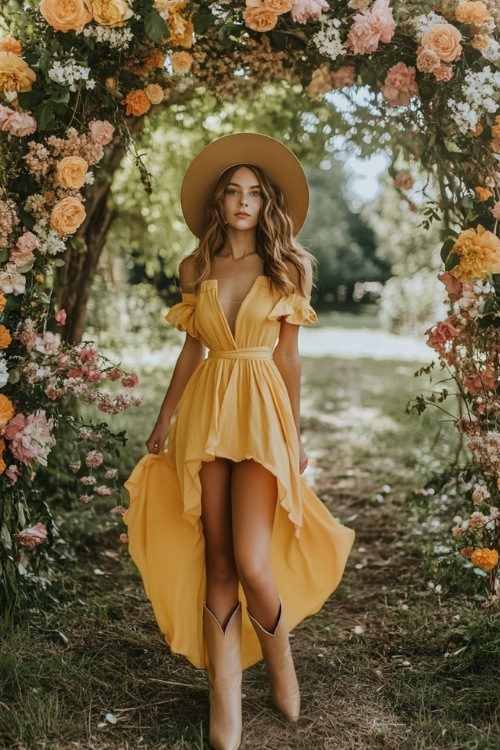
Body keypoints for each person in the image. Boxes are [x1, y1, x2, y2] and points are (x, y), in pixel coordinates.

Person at [124, 133, 355, 750]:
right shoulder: (194, 268)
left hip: (259, 412)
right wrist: (164, 419)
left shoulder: (288, 268)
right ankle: (224, 698)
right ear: (219, 204)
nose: (243, 201)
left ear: (267, 203)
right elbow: (192, 348)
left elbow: (289, 360)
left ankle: (281, 663)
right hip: (206, 411)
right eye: (232, 192)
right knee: (218, 558)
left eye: (254, 193)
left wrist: (295, 436)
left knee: (254, 562)